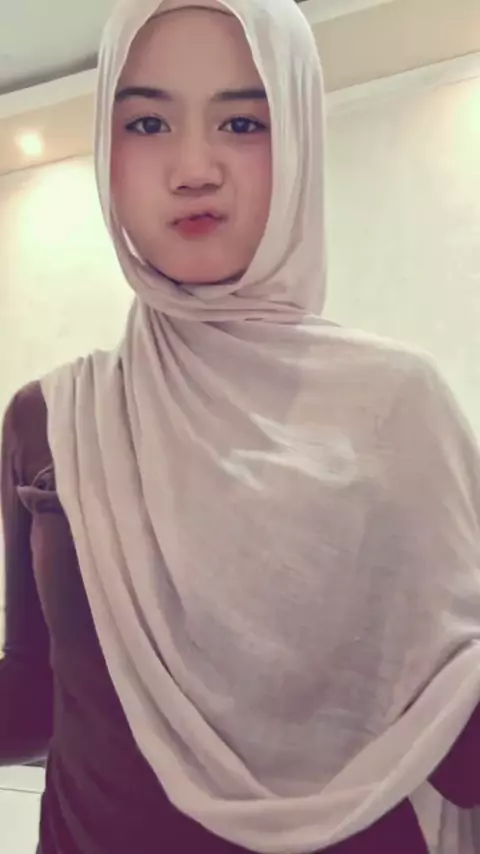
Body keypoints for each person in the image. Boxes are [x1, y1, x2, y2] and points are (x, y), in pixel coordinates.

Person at [1, 0, 480, 852]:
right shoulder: (52, 418)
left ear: (298, 142)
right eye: (148, 122)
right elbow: (38, 697)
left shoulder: (399, 408)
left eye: (243, 122)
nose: (194, 168)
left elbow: (459, 746)